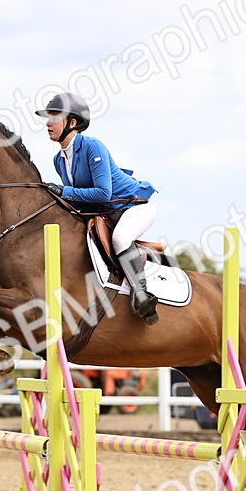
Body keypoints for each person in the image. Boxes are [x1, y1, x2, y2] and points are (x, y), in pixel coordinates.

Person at [35, 93, 161, 325]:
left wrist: (63, 191)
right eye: (48, 117)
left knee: (121, 238)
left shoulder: (93, 146)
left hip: (133, 206)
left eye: (54, 116)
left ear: (72, 123)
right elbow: (78, 199)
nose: (48, 122)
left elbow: (103, 192)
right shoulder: (58, 159)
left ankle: (142, 294)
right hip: (105, 212)